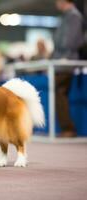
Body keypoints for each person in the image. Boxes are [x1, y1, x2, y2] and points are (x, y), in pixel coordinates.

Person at [53, 0, 84, 137]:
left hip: (66, 61)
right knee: (60, 94)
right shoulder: (68, 16)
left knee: (60, 93)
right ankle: (67, 129)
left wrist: (63, 54)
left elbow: (70, 40)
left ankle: (68, 129)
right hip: (61, 61)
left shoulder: (74, 16)